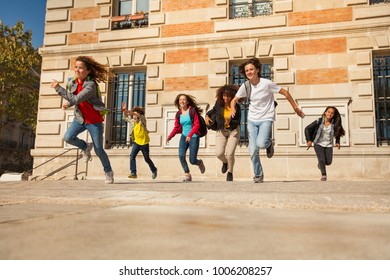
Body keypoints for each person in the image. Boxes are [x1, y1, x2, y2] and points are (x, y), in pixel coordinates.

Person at [230, 58, 305, 183]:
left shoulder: (266, 83)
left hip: (266, 118)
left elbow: (285, 92)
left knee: (261, 144)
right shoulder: (245, 86)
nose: (249, 72)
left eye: (251, 69)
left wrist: (295, 108)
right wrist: (232, 108)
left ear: (257, 70)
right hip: (252, 120)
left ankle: (269, 143)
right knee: (252, 150)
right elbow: (234, 100)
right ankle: (258, 175)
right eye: (247, 70)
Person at [51, 56, 114, 184]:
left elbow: (76, 99)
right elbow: (74, 99)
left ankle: (108, 172)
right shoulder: (73, 82)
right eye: (76, 67)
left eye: (80, 68)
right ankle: (85, 146)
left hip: (94, 120)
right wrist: (68, 104)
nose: (77, 70)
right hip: (80, 118)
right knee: (68, 137)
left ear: (88, 71)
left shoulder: (90, 85)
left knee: (98, 149)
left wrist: (59, 88)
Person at [166, 94, 206, 182]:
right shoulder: (179, 114)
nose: (182, 101)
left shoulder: (192, 111)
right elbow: (176, 127)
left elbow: (197, 125)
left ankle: (199, 163)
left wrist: (190, 135)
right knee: (181, 155)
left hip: (194, 136)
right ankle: (187, 173)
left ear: (187, 102)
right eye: (180, 100)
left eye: (184, 100)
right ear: (178, 102)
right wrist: (170, 136)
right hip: (184, 136)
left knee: (192, 160)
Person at [205, 85, 241, 181]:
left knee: (230, 153)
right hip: (221, 131)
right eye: (224, 95)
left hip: (233, 131)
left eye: (228, 96)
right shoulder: (219, 103)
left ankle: (230, 172)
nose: (226, 98)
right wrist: (207, 116)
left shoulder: (236, 107)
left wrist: (229, 121)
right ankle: (225, 162)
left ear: (233, 96)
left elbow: (237, 122)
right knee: (219, 153)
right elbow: (213, 110)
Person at [304, 106, 345, 181]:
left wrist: (337, 142)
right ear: (325, 112)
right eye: (328, 112)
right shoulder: (319, 121)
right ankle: (324, 175)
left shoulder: (334, 124)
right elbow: (307, 129)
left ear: (334, 115)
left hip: (328, 144)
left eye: (332, 113)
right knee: (321, 159)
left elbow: (338, 133)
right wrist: (309, 140)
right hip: (318, 143)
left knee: (328, 162)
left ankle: (320, 164)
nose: (330, 114)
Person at [121, 102, 158, 179]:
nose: (134, 117)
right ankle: (133, 172)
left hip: (144, 143)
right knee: (132, 156)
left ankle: (154, 169)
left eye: (135, 115)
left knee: (146, 159)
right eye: (133, 115)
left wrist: (132, 112)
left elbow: (141, 117)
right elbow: (125, 118)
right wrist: (124, 110)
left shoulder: (142, 121)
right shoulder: (132, 122)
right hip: (136, 143)